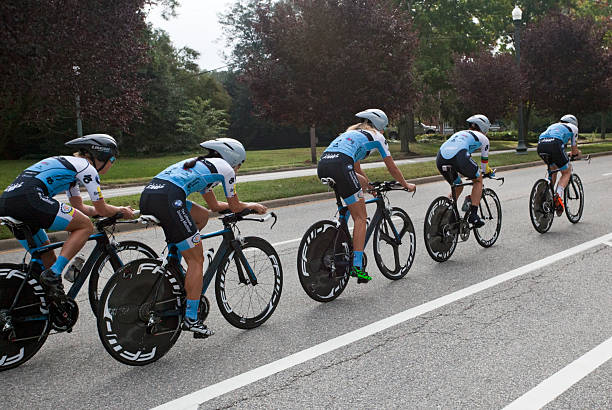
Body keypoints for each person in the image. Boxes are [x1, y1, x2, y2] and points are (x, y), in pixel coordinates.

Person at [139, 138, 267, 336]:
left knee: (201, 216)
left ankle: (174, 264)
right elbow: (235, 206)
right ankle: (191, 318)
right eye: (240, 165)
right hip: (168, 200)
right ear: (235, 160)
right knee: (196, 259)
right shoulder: (226, 169)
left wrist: (243, 206)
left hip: (150, 196)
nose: (238, 170)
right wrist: (252, 206)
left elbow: (215, 207)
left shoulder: (203, 166)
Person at [0, 134, 135, 300]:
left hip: (7, 202)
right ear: (102, 156)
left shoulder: (73, 168)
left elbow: (80, 207)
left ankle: (44, 305)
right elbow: (101, 207)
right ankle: (54, 274)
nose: (112, 164)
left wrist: (109, 211)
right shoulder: (87, 168)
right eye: (113, 160)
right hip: (29, 198)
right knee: (85, 226)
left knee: (47, 258)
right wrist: (120, 210)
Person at [317, 109, 416, 283]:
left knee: (350, 206)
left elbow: (356, 171)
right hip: (341, 166)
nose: (384, 131)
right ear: (378, 125)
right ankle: (357, 266)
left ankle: (339, 242)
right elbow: (391, 167)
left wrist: (370, 187)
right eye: (384, 127)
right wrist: (405, 184)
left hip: (324, 164)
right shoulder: (376, 136)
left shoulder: (351, 134)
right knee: (361, 217)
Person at [436, 114, 493, 228]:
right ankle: (474, 216)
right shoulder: (484, 139)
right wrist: (489, 171)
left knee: (458, 185)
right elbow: (484, 166)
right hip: (459, 156)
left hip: (441, 157)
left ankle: (444, 211)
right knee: (478, 180)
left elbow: (462, 157)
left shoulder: (461, 133)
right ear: (484, 128)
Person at [537, 114, 580, 216]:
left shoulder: (554, 125)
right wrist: (576, 154)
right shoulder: (573, 128)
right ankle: (558, 195)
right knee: (566, 171)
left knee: (553, 170)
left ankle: (547, 195)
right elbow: (574, 150)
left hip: (541, 144)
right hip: (555, 144)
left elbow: (560, 148)